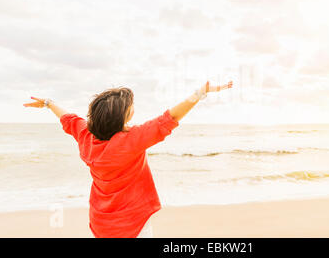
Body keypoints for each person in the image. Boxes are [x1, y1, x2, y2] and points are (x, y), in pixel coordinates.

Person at [23, 80, 233, 238]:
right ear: (125, 115)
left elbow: (68, 118)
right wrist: (200, 93)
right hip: (134, 222)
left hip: (101, 222)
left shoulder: (85, 135)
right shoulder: (132, 140)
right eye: (129, 106)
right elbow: (170, 117)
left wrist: (48, 103)